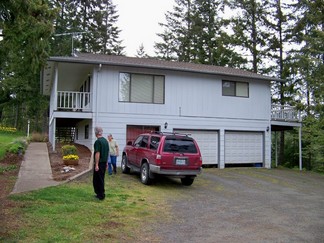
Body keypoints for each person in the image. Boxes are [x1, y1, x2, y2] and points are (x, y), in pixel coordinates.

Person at [93, 126, 109, 200]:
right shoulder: (105, 141)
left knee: (97, 179)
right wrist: (106, 163)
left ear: (96, 133)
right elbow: (108, 152)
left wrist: (96, 165)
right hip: (104, 162)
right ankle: (100, 193)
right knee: (101, 178)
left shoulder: (98, 142)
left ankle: (100, 195)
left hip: (99, 163)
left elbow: (97, 153)